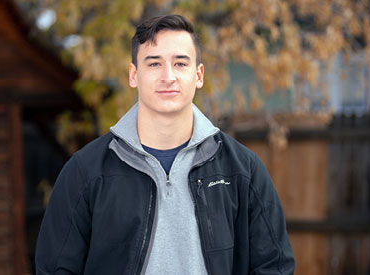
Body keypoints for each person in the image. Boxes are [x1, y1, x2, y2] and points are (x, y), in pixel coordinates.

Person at [35, 14, 295, 275]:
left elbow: (274, 266)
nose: (168, 76)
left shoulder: (243, 170)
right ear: (134, 75)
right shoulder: (86, 172)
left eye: (180, 63)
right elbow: (55, 269)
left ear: (199, 75)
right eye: (154, 63)